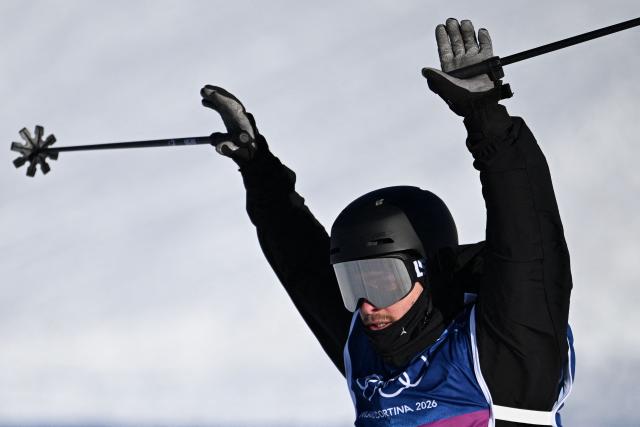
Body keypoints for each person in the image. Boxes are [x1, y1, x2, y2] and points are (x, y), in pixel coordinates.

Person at [201, 18, 574, 427]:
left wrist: (485, 114)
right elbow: (303, 266)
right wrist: (259, 170)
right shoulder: (367, 348)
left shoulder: (506, 348)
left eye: (382, 280)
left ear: (428, 272)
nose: (365, 305)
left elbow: (529, 239)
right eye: (353, 282)